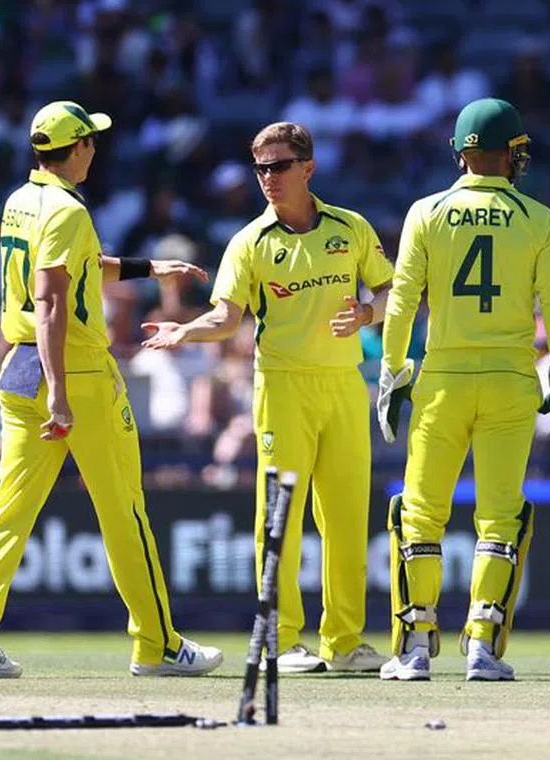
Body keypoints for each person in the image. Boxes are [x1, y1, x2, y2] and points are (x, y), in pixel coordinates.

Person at [0, 101, 220, 679]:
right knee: (125, 512)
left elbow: (79, 271)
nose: (95, 148)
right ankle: (158, 644)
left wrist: (151, 267)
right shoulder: (68, 209)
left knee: (8, 512)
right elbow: (50, 302)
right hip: (74, 374)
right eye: (90, 140)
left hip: (19, 366)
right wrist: (60, 393)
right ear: (74, 150)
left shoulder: (21, 201)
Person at [141, 122, 394, 674]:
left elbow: (389, 285)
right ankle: (281, 639)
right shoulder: (250, 242)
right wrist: (187, 332)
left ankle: (346, 643)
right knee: (278, 518)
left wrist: (369, 312)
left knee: (348, 519)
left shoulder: (350, 229)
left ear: (308, 167)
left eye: (279, 167)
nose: (268, 179)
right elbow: (227, 316)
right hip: (281, 388)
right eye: (260, 169)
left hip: (344, 386)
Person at [375, 98, 550, 682]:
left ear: (462, 153)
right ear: (507, 153)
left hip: (441, 380)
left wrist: (392, 371)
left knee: (419, 514)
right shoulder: (540, 219)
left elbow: (404, 299)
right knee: (500, 519)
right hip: (512, 382)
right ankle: (483, 647)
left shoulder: (426, 211)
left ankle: (414, 647)